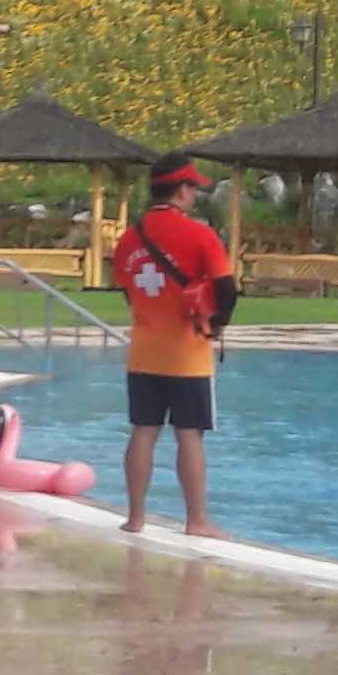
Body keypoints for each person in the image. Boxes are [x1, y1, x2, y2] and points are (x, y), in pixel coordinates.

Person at [110, 154, 236, 538]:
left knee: (143, 431)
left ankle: (135, 517)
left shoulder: (129, 238)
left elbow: (128, 291)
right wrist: (217, 325)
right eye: (193, 187)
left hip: (143, 353)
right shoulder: (200, 235)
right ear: (182, 190)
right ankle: (196, 520)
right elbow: (227, 289)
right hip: (187, 355)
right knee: (189, 434)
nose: (194, 194)